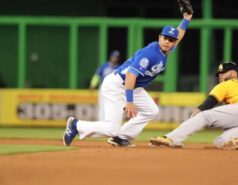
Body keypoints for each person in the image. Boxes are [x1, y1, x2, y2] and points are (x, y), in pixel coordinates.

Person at [63, 12, 193, 147]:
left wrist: (186, 19)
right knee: (111, 128)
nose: (167, 41)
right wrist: (129, 101)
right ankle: (76, 125)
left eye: (171, 40)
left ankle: (121, 137)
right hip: (117, 84)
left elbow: (179, 34)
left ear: (174, 42)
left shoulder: (165, 50)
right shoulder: (150, 54)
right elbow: (131, 75)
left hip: (133, 86)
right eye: (165, 38)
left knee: (151, 110)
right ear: (159, 37)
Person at [150, 62, 238, 150]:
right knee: (220, 142)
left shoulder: (228, 83)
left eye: (224, 72)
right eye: (219, 73)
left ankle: (170, 138)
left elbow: (211, 101)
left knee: (206, 116)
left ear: (235, 73)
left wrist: (197, 114)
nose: (220, 75)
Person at [89, 50, 121, 120]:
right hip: (103, 87)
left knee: (113, 106)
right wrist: (93, 84)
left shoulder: (119, 67)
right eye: (114, 56)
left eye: (117, 57)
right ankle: (101, 122)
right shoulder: (104, 66)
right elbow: (97, 75)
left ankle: (110, 122)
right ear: (111, 57)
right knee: (102, 105)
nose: (115, 58)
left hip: (114, 89)